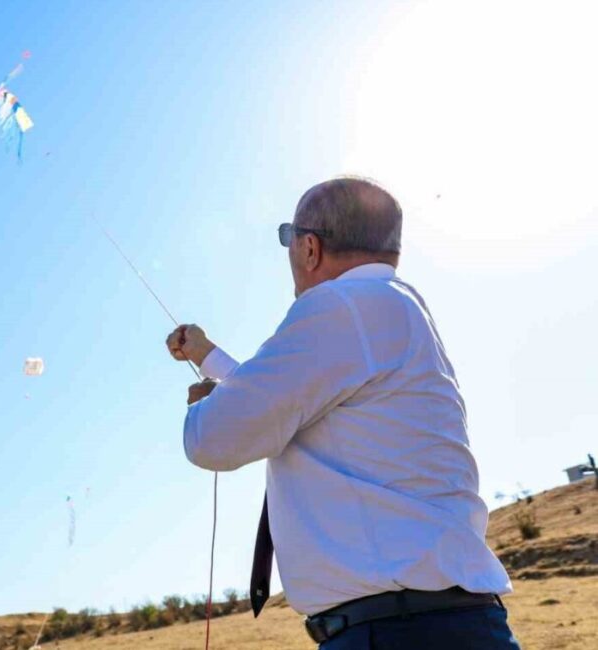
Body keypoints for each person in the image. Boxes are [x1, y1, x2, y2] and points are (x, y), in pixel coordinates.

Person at [166, 178, 519, 648]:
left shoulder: (339, 306)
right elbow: (298, 397)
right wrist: (210, 356)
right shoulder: (389, 306)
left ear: (309, 247)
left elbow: (215, 438)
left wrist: (206, 405)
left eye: (288, 238)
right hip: (440, 622)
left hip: (395, 632)